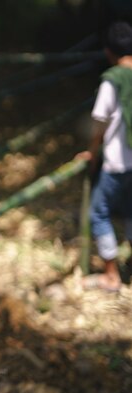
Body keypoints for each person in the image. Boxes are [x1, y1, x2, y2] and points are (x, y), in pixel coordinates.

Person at [76, 20, 132, 292]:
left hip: (118, 162)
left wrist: (92, 152)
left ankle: (111, 275)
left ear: (109, 52)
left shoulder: (113, 80)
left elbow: (100, 122)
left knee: (98, 212)